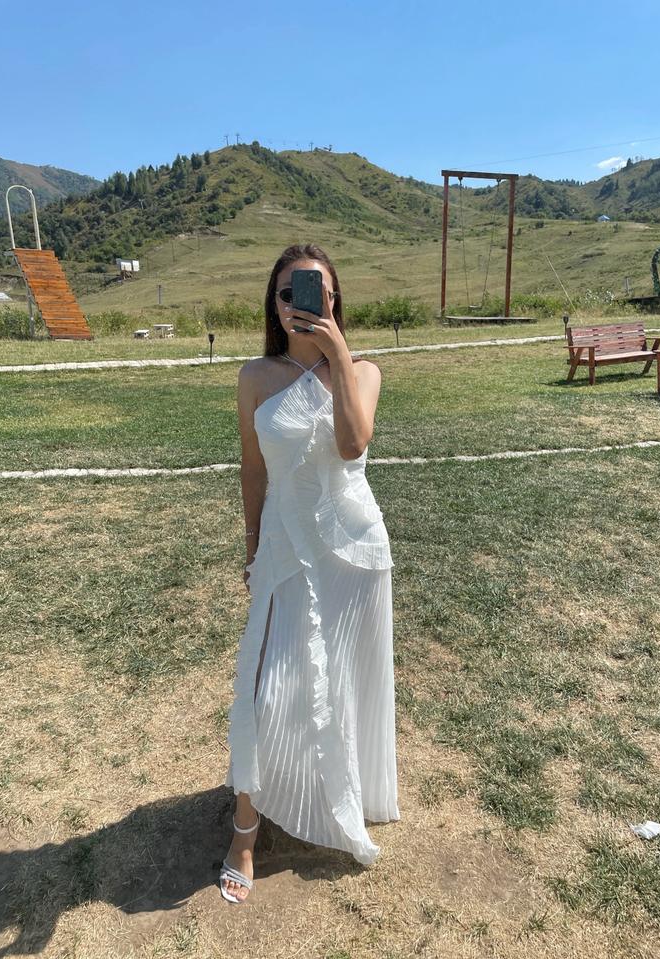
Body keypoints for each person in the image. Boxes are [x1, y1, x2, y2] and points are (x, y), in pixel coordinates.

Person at [220, 244, 400, 903]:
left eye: (315, 291)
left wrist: (337, 352)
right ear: (273, 304)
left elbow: (352, 443)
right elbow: (253, 469)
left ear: (334, 299)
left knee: (346, 680)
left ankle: (341, 792)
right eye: (287, 292)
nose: (298, 302)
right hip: (284, 548)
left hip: (354, 552)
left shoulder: (364, 370)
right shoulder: (255, 376)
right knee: (265, 686)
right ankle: (244, 831)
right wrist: (251, 546)